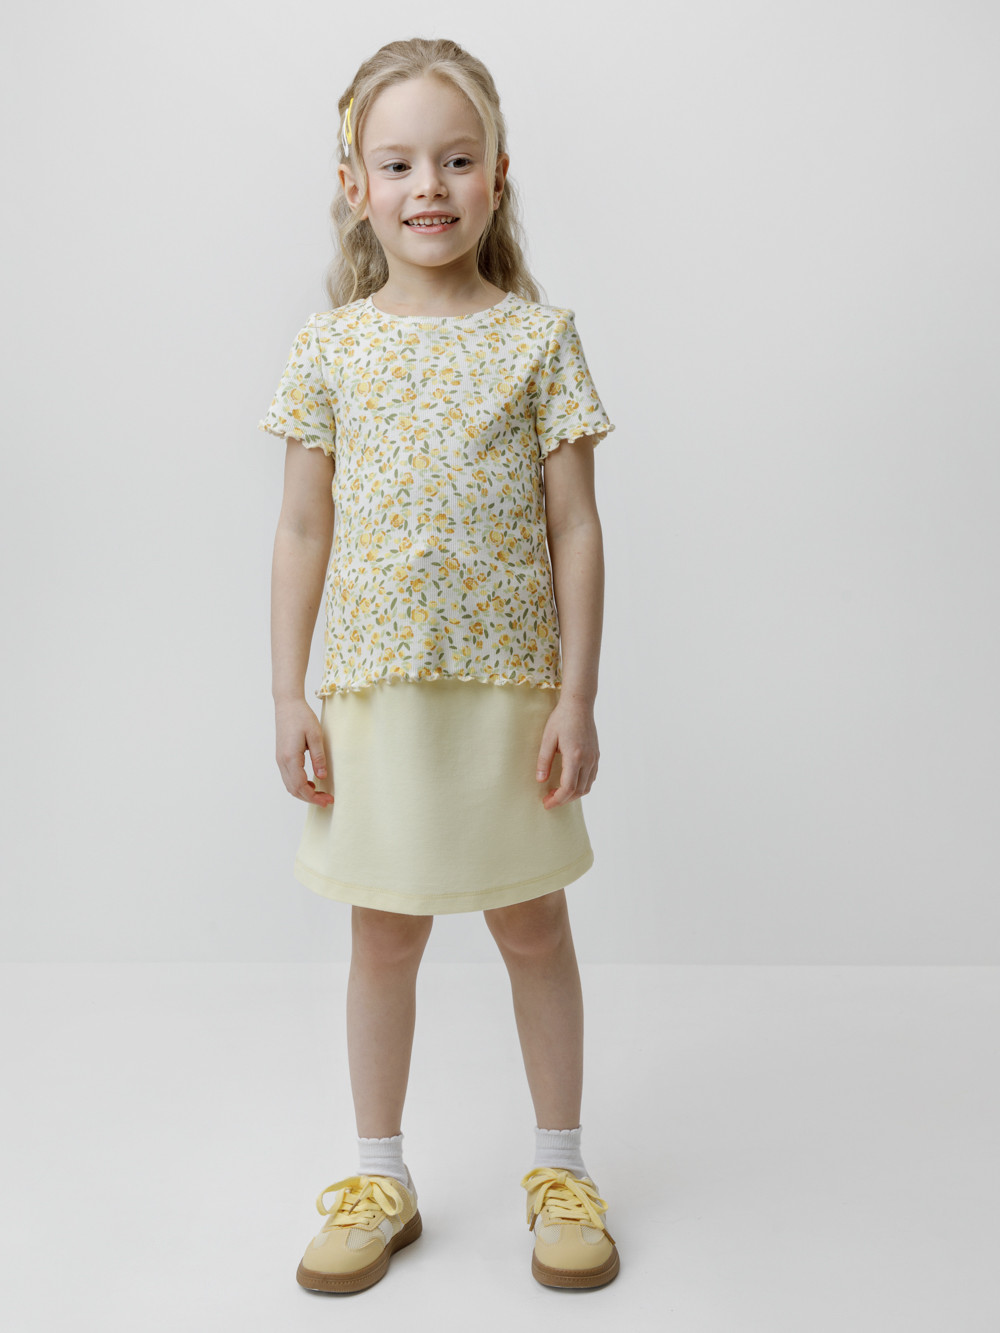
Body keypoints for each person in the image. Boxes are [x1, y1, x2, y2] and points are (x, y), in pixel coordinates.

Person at [259, 36, 619, 1294]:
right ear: (355, 184)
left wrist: (577, 693)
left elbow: (576, 528)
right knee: (383, 935)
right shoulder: (329, 348)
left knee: (532, 924)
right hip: (377, 693)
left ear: (498, 175)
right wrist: (286, 691)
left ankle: (561, 1166)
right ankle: (380, 1175)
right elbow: (301, 528)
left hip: (511, 691)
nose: (430, 186)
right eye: (400, 162)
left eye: (457, 160)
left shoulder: (539, 339)